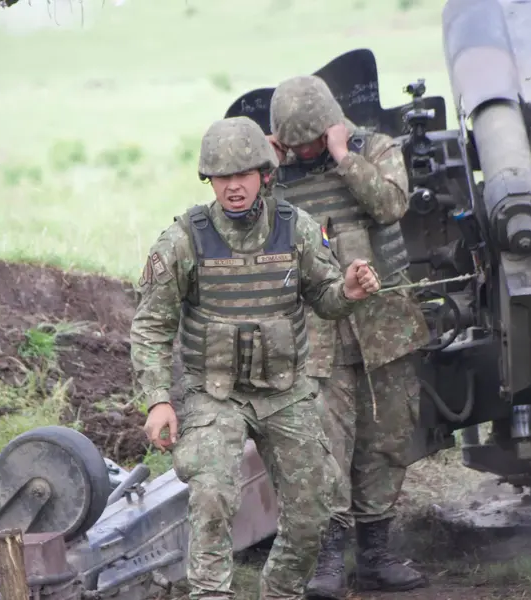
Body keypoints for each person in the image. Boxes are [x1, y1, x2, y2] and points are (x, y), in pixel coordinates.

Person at [130, 115, 382, 600]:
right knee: (212, 496)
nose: (233, 187)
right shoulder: (185, 239)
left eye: (242, 175)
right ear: (210, 182)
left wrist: (348, 290)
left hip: (286, 391)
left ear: (265, 176)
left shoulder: (297, 230)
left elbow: (326, 298)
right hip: (214, 393)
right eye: (222, 178)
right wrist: (158, 399)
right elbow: (151, 324)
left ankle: (282, 591)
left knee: (316, 509)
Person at [267, 75, 433, 597]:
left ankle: (378, 554)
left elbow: (390, 206)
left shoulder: (374, 149)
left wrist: (343, 156)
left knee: (386, 443)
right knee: (325, 451)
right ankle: (329, 562)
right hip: (316, 337)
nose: (302, 152)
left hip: (385, 328)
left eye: (311, 141)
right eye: (291, 144)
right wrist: (267, 171)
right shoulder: (271, 174)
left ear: (332, 126)